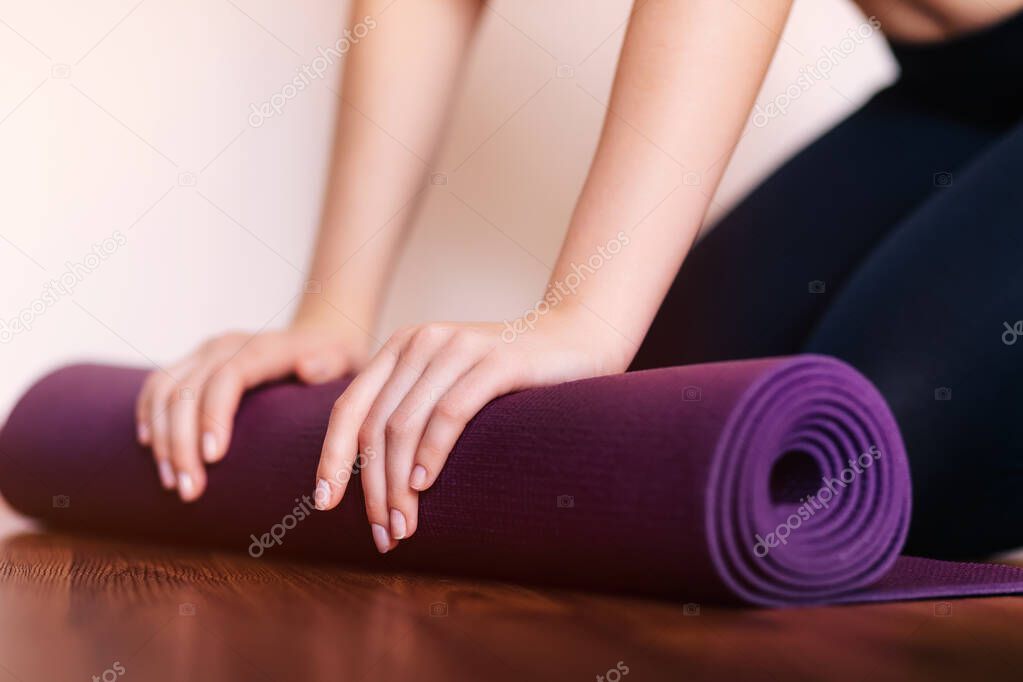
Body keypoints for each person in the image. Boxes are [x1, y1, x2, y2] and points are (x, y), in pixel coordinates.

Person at [135, 0, 1023, 558]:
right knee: (661, 441)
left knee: (860, 461)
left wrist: (582, 312)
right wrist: (331, 312)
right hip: (952, 93)